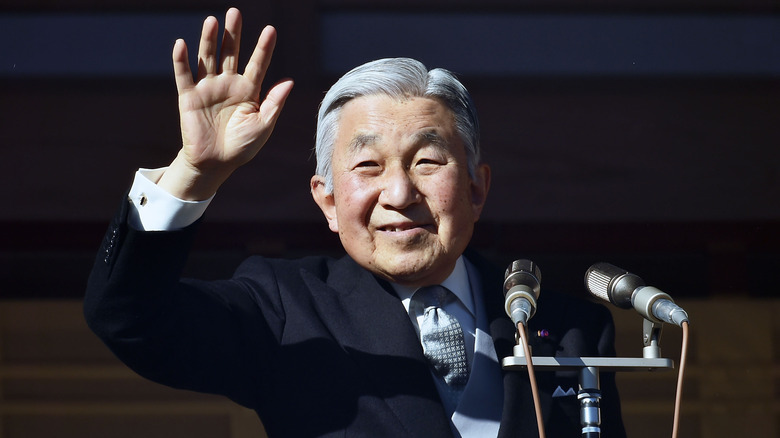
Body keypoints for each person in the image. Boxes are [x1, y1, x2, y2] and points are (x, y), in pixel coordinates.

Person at [84, 8, 626, 438]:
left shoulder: (570, 325)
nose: (399, 193)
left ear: (477, 187)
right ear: (327, 200)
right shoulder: (284, 309)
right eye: (368, 166)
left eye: (427, 161)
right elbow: (130, 318)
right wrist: (193, 173)